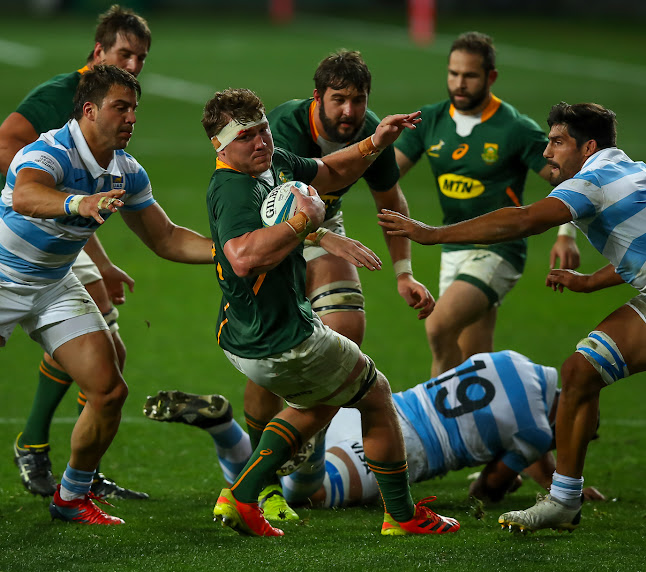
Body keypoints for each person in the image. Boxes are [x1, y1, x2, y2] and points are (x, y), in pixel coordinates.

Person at [0, 65, 213, 527]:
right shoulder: (49, 150)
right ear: (89, 110)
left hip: (53, 284)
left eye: (134, 110)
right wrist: (76, 202)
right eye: (120, 108)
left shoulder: (126, 171)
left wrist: (229, 253)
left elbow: (166, 238)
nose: (131, 119)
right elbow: (26, 195)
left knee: (107, 390)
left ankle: (71, 496)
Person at [201, 87, 459, 537]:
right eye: (246, 136)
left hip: (245, 335)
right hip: (282, 339)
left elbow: (330, 169)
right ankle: (401, 516)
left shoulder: (272, 162)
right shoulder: (233, 189)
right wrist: (305, 222)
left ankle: (243, 495)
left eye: (263, 130)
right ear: (220, 145)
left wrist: (375, 142)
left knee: (318, 401)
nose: (261, 142)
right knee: (376, 395)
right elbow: (242, 256)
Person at [378, 101, 641, 533]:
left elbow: (521, 221)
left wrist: (432, 235)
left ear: (588, 146)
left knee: (580, 373)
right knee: (580, 372)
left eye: (557, 142)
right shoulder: (631, 172)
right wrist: (592, 281)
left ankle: (562, 498)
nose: (547, 153)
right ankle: (563, 501)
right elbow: (639, 244)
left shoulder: (592, 180)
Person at [236, 51, 434, 519]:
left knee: (344, 335)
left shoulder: (372, 129)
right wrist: (325, 238)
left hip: (323, 222)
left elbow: (391, 200)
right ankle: (260, 480)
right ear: (317, 97)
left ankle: (304, 461)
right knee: (268, 357)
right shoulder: (282, 128)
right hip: (266, 230)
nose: (349, 112)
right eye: (339, 100)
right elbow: (275, 206)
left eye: (358, 100)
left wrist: (404, 272)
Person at [0, 5, 152, 499]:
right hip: (19, 229)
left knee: (108, 353)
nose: (134, 66)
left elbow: (81, 200)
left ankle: (58, 455)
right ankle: (44, 452)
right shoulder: (62, 94)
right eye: (124, 54)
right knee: (101, 356)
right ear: (98, 52)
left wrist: (100, 253)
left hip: (59, 225)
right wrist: (45, 184)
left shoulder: (114, 109)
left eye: (141, 57)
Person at [144, 351, 605, 506]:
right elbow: (487, 489)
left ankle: (298, 427)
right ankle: (232, 429)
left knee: (273, 478)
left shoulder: (514, 362)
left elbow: (509, 420)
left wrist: (550, 470)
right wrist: (537, 476)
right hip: (403, 450)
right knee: (307, 495)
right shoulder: (537, 434)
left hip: (378, 410)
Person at [393, 31, 580, 377]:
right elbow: (387, 175)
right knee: (473, 363)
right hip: (453, 247)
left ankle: (438, 425)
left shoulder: (514, 128)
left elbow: (569, 178)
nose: (459, 83)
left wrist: (567, 234)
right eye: (453, 73)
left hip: (499, 249)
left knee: (438, 328)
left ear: (491, 77)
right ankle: (493, 424)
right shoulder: (431, 120)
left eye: (469, 75)